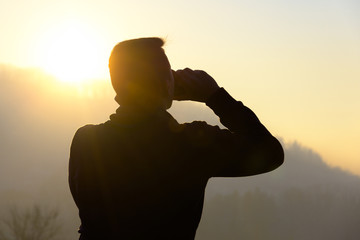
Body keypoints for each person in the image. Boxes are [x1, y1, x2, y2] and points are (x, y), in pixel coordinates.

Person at [68, 37, 284, 240]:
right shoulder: (191, 144)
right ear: (165, 83)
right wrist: (215, 97)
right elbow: (271, 152)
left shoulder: (85, 142)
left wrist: (163, 87)